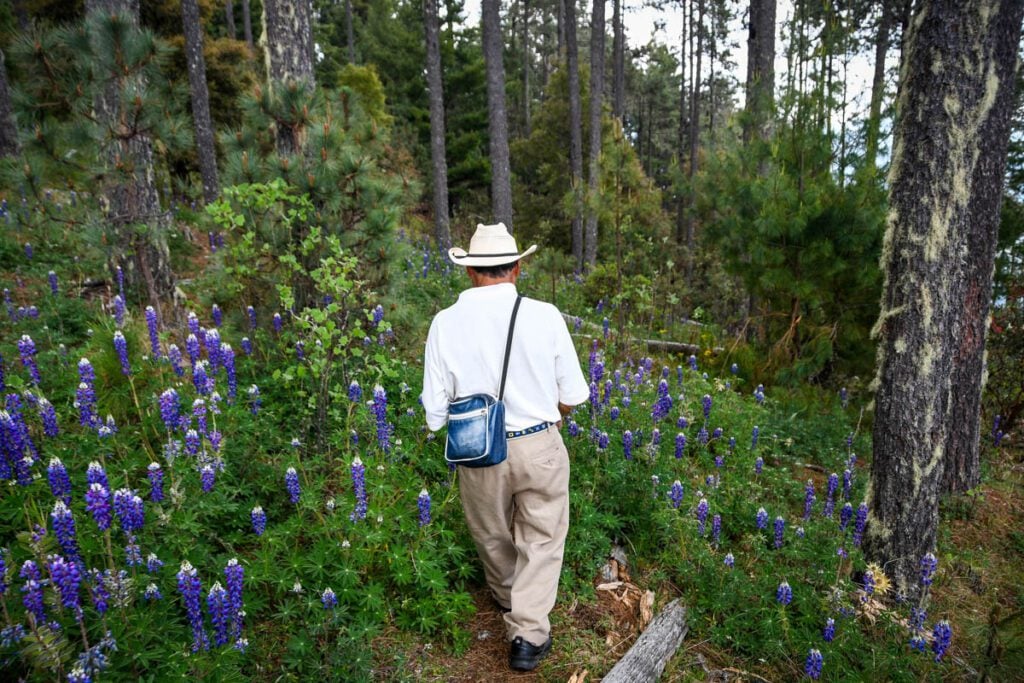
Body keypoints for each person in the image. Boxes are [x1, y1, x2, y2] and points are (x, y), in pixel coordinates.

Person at [421, 223, 589, 672]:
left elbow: (435, 415)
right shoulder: (546, 315)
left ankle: (507, 598)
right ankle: (528, 634)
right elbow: (572, 395)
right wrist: (547, 415)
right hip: (539, 444)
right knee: (543, 536)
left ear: (471, 272)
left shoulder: (443, 323)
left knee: (491, 532)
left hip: (478, 451)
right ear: (516, 268)